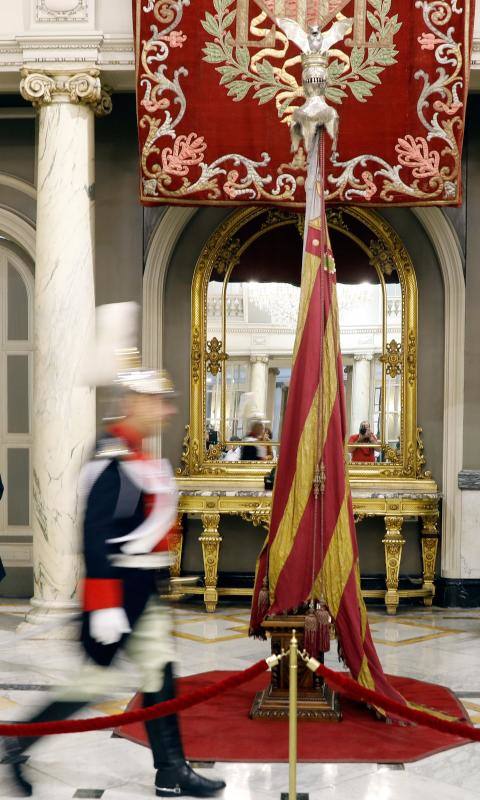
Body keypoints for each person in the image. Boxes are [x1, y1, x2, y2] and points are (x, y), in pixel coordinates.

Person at [2, 306, 225, 799]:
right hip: (117, 593)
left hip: (141, 590)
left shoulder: (141, 456)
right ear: (134, 403)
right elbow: (95, 534)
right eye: (157, 402)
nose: (165, 411)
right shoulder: (111, 456)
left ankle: (171, 771)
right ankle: (17, 745)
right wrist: (102, 605)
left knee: (160, 675)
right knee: (89, 685)